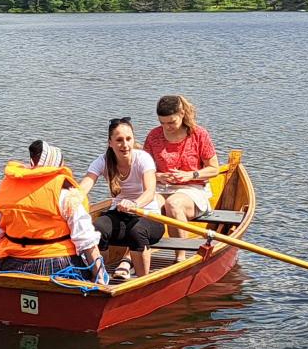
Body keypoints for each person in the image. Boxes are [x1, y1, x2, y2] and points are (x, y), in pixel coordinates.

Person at [0, 140, 109, 283]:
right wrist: (99, 274)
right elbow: (85, 239)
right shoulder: (65, 194)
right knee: (88, 275)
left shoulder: (6, 193)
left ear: (32, 164)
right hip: (57, 264)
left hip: (13, 265)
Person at [77, 117, 165, 283]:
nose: (125, 145)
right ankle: (100, 278)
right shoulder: (102, 161)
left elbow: (150, 191)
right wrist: (73, 200)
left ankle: (142, 282)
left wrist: (135, 204)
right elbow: (84, 187)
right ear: (110, 142)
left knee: (136, 232)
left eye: (128, 139)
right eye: (119, 140)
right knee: (96, 229)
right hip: (120, 214)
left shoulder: (143, 158)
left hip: (148, 215)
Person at [144, 94, 217, 223]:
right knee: (149, 206)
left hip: (192, 189)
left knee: (173, 204)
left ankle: (180, 243)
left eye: (171, 122)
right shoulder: (154, 135)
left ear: (182, 114)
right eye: (162, 123)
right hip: (161, 188)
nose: (167, 127)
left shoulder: (199, 134)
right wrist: (159, 176)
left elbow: (214, 169)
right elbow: (142, 170)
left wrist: (190, 175)